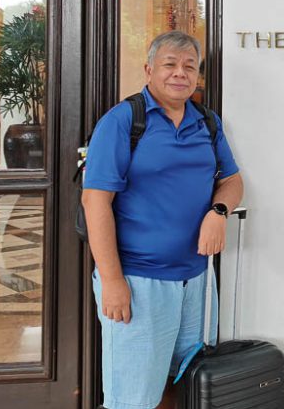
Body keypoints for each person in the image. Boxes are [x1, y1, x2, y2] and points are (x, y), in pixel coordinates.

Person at [82, 30, 243, 409]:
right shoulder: (123, 122)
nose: (180, 73)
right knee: (132, 398)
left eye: (190, 66)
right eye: (170, 64)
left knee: (187, 385)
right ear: (149, 69)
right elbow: (95, 203)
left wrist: (219, 212)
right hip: (139, 281)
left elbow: (232, 181)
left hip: (198, 281)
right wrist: (112, 281)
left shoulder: (207, 122)